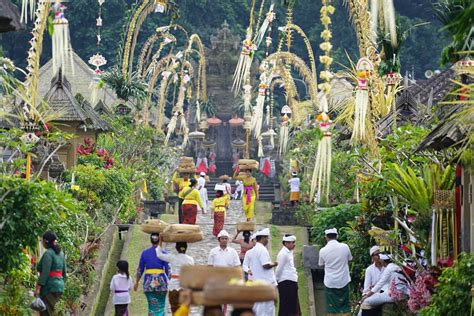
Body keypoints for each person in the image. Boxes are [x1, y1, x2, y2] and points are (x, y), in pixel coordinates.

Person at [156, 236, 194, 314]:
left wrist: (160, 241)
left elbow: (159, 254)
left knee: (174, 309)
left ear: (176, 248)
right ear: (186, 248)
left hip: (173, 287)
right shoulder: (190, 260)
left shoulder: (172, 257)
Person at [318, 228, 352, 315]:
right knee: (345, 306)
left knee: (331, 307)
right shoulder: (345, 247)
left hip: (330, 282)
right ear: (337, 236)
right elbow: (349, 259)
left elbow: (321, 264)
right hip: (343, 280)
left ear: (326, 237)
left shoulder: (323, 250)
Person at [134, 233, 170, 316]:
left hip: (148, 283)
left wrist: (137, 282)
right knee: (161, 306)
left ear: (151, 240)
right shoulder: (164, 253)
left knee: (152, 308)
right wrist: (171, 282)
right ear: (160, 240)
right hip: (161, 284)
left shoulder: (145, 253)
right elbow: (168, 270)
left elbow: (140, 269)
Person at [35, 231, 67, 316]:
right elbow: (64, 273)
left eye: (42, 240)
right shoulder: (61, 254)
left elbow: (45, 273)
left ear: (46, 241)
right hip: (59, 286)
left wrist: (38, 287)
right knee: (56, 311)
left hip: (49, 287)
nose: (41, 242)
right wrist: (61, 284)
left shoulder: (48, 254)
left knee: (47, 312)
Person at [247, 228, 278, 315]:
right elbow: (265, 265)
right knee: (266, 309)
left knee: (259, 308)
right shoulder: (262, 249)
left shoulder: (255, 249)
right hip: (265, 284)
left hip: (258, 282)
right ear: (263, 238)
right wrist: (274, 264)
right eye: (267, 238)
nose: (268, 240)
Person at [275, 234, 300, 316]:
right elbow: (279, 269)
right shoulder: (283, 254)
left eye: (294, 242)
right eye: (292, 242)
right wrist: (276, 280)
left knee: (293, 305)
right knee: (286, 305)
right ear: (286, 243)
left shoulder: (289, 252)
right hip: (286, 282)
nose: (294, 244)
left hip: (291, 280)